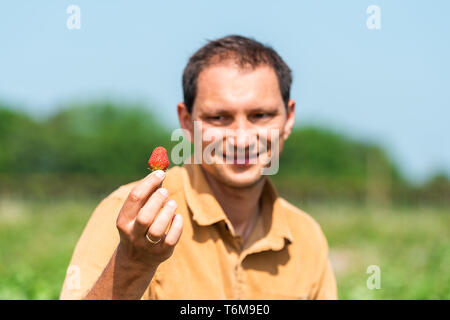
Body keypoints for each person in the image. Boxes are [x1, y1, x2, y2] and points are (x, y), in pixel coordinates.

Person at [60, 35, 337, 300]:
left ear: (289, 118)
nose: (241, 139)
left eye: (260, 115)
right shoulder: (132, 217)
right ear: (186, 120)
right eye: (218, 117)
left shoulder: (306, 237)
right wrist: (132, 263)